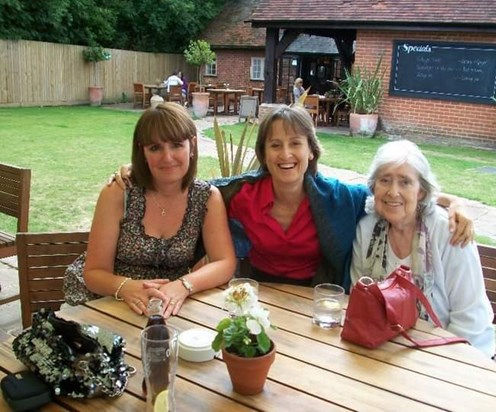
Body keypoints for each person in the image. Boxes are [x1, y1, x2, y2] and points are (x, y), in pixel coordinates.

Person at [112, 105, 473, 290]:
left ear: (311, 152)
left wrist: (452, 202)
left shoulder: (337, 197)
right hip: (254, 295)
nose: (286, 154)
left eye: (295, 143)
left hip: (314, 299)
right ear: (264, 155)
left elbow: (390, 193)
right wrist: (136, 173)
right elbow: (186, 183)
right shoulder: (240, 193)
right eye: (276, 145)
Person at [63, 103, 236, 317]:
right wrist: (126, 286)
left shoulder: (207, 197)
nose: (167, 157)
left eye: (176, 145)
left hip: (167, 304)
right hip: (107, 300)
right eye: (155, 148)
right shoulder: (119, 193)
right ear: (142, 151)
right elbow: (94, 273)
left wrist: (184, 284)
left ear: (192, 145)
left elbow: (225, 262)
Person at [350, 140, 495, 357]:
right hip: (388, 348)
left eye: (405, 182)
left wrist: (443, 364)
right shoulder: (367, 228)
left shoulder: (448, 231)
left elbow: (470, 318)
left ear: (421, 192)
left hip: (456, 350)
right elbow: (359, 297)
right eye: (385, 180)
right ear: (373, 187)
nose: (393, 191)